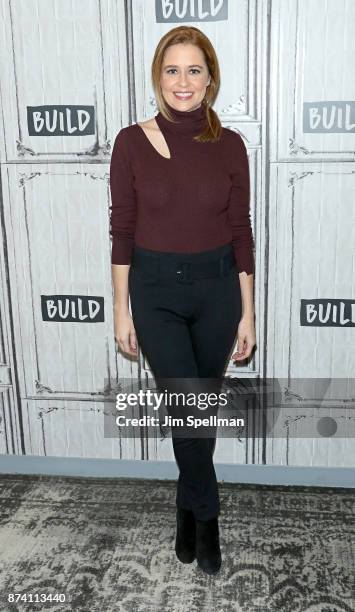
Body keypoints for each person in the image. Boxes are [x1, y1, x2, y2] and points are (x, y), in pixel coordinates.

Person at [109, 25, 256, 575]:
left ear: (210, 79)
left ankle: (185, 507)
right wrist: (120, 308)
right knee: (187, 409)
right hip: (155, 293)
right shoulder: (130, 142)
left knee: (197, 413)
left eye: (194, 69)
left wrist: (249, 310)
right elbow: (122, 229)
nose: (183, 81)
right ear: (157, 77)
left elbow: (241, 231)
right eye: (172, 69)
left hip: (218, 290)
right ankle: (209, 517)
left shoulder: (231, 145)